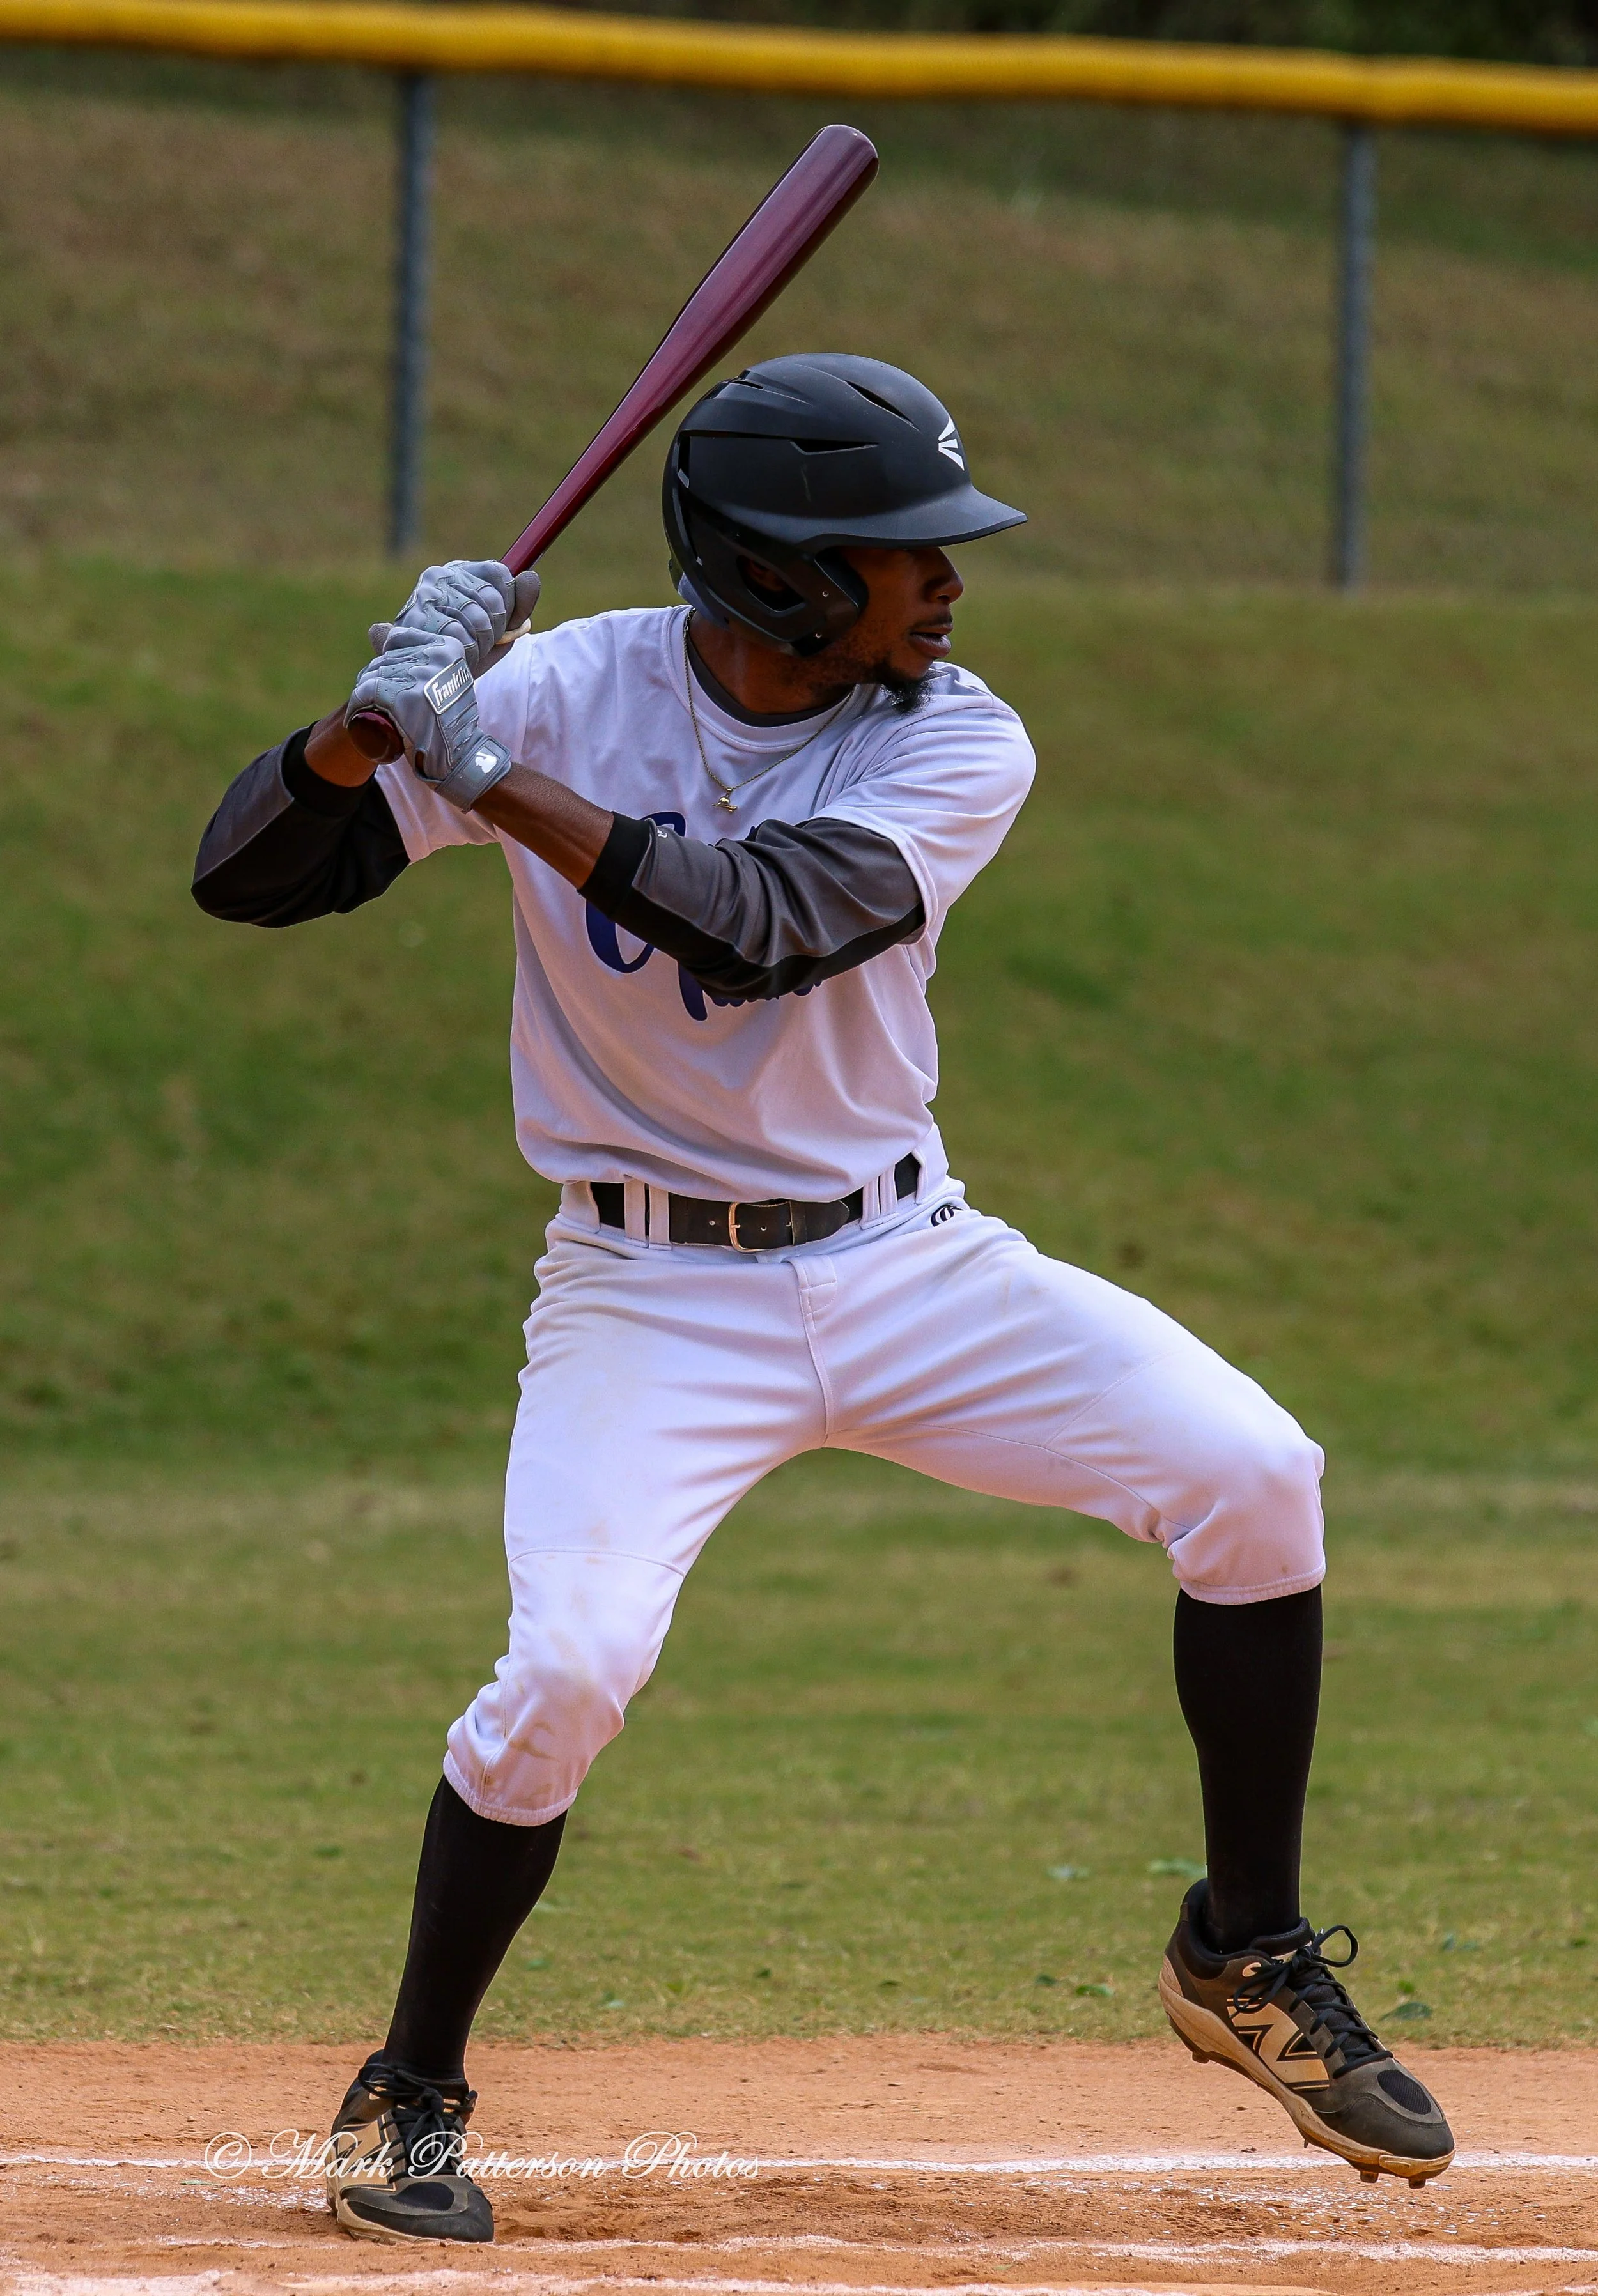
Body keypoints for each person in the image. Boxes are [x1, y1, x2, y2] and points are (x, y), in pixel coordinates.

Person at [192, 352, 1454, 2244]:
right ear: (779, 578)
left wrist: (482, 766)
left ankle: (1241, 1950)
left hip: (907, 1258)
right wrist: (352, 742)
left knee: (1255, 1475)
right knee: (567, 1674)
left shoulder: (956, 735)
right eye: (904, 555)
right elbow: (249, 882)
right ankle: (408, 2094)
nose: (947, 585)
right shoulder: (566, 689)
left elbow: (765, 925)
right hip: (643, 1291)